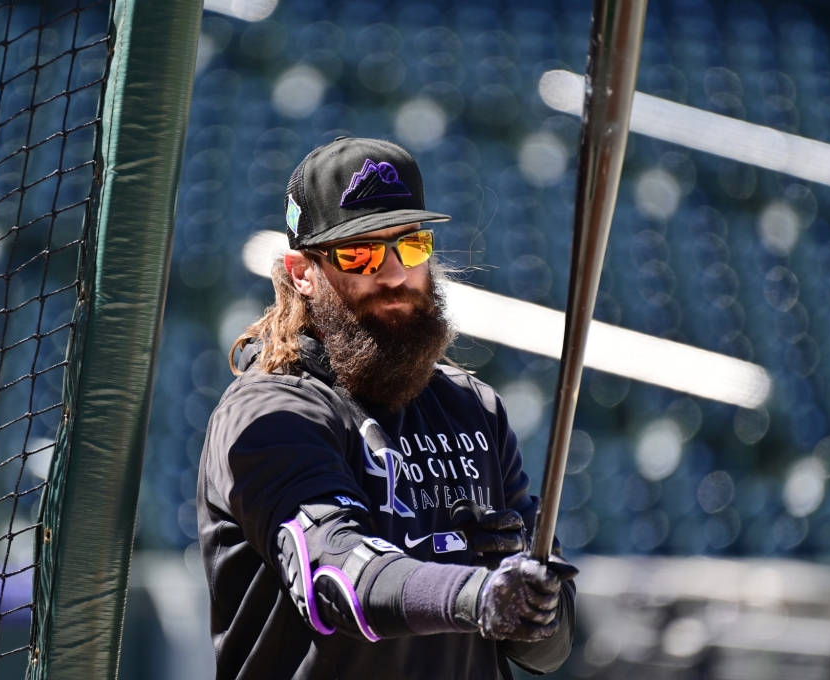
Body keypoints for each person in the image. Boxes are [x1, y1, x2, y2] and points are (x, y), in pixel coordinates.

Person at [197, 137, 576, 680]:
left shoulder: (473, 407)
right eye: (360, 253)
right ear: (302, 271)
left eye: (411, 245)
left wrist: (526, 591)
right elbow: (336, 582)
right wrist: (477, 593)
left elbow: (549, 651)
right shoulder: (268, 414)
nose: (395, 274)